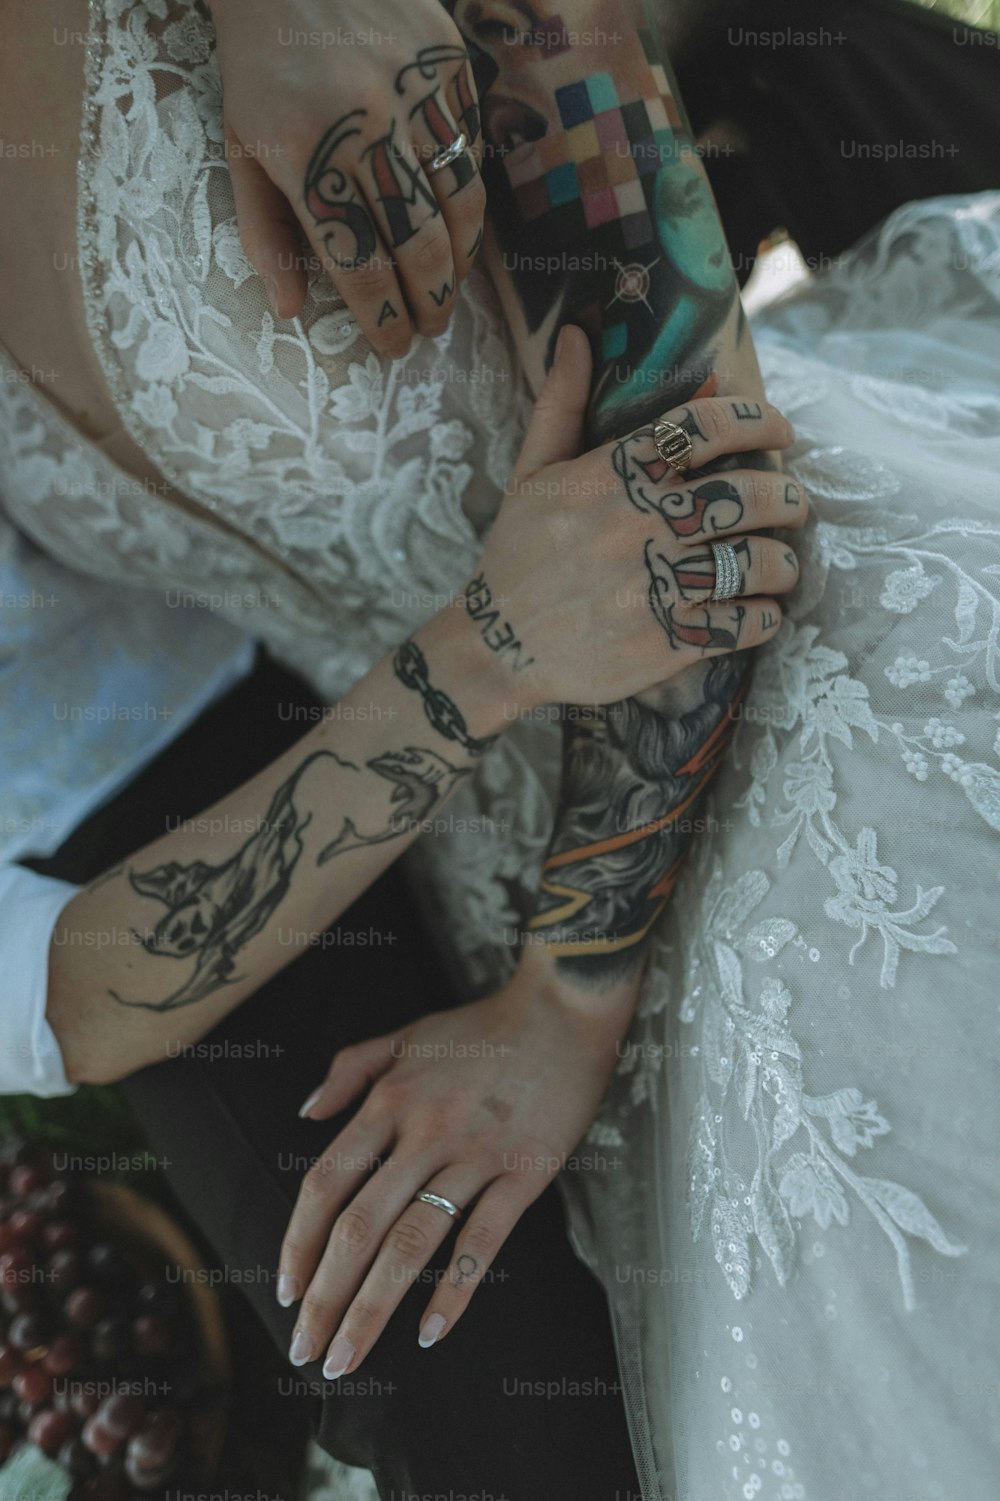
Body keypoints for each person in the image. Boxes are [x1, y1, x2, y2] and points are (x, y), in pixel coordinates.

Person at [1, 3, 998, 1500]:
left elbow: (692, 445)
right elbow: (53, 985)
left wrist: (566, 1003)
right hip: (485, 852)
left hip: (787, 678)